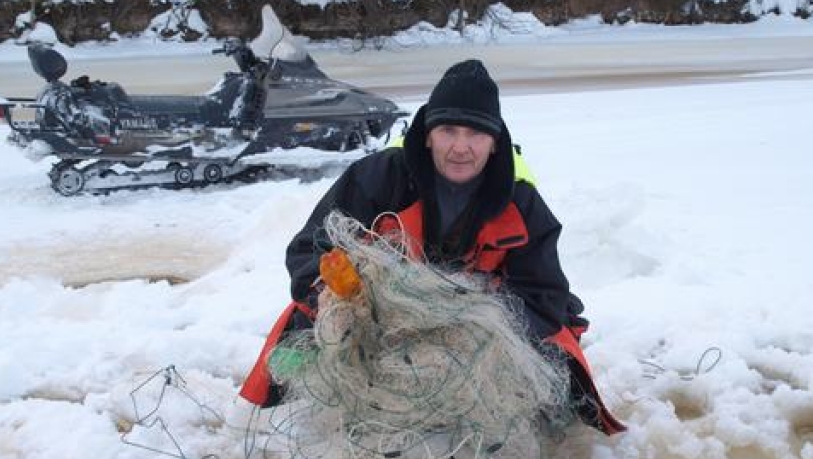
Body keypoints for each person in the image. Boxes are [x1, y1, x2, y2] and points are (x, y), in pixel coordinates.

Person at [239, 59, 624, 438]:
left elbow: (544, 293)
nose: (460, 147)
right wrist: (346, 300)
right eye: (448, 130)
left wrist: (478, 330)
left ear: (494, 144)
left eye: (475, 134)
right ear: (426, 134)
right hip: (378, 321)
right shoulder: (378, 177)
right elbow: (310, 250)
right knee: (308, 317)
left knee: (556, 348)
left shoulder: (520, 201)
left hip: (474, 329)